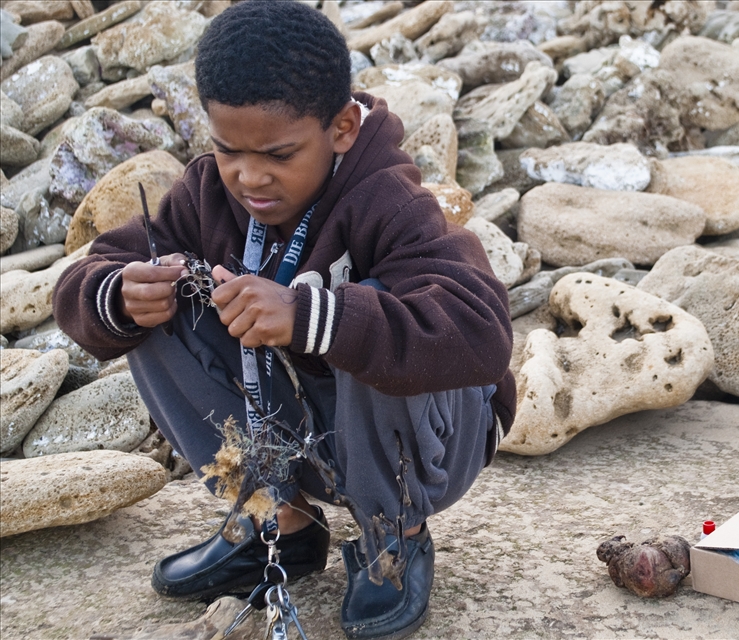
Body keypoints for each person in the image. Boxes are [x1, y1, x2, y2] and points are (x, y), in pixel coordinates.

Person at [52, 1, 515, 638]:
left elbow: (482, 334)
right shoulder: (208, 194)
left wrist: (311, 316)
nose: (249, 176)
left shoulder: (389, 199)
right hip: (310, 436)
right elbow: (90, 270)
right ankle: (278, 521)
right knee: (156, 293)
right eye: (227, 150)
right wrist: (117, 294)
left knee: (371, 302)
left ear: (343, 128)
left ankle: (393, 536)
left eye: (278, 153)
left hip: (431, 448)